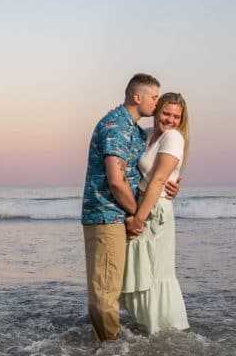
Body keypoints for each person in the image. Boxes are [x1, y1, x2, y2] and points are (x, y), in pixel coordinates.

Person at [81, 75, 180, 341]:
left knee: (114, 287)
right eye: (155, 98)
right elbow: (116, 180)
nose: (157, 103)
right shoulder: (116, 126)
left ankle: (113, 347)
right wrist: (138, 214)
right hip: (107, 214)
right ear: (138, 98)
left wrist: (172, 184)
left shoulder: (136, 130)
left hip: (122, 215)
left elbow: (152, 171)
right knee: (105, 289)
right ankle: (109, 353)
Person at [121, 93, 191, 334]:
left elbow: (159, 179)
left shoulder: (173, 137)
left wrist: (138, 218)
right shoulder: (151, 135)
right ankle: (147, 325)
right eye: (166, 113)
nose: (170, 120)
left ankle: (166, 328)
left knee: (158, 272)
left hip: (154, 210)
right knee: (145, 268)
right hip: (146, 204)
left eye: (176, 116)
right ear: (157, 110)